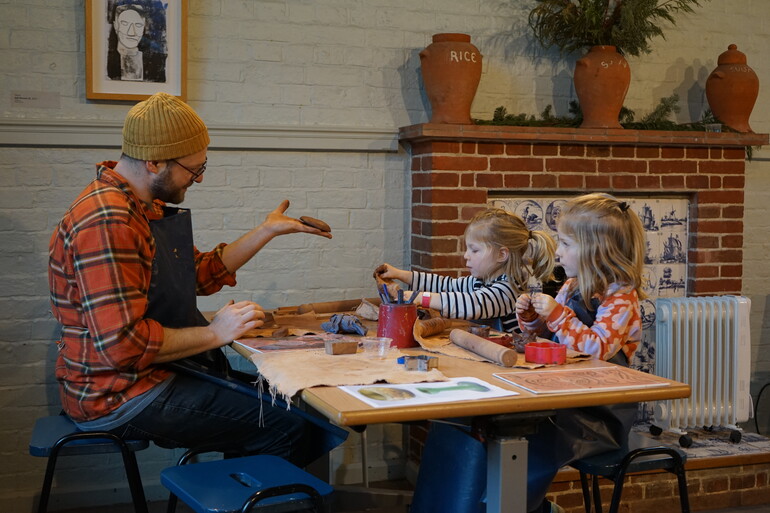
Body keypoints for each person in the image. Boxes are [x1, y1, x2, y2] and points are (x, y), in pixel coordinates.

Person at [48, 91, 343, 466]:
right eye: (193, 170)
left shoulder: (141, 206)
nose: (199, 180)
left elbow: (198, 275)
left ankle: (237, 498)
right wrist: (215, 333)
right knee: (288, 425)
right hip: (116, 394)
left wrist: (266, 231)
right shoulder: (108, 221)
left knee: (288, 403)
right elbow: (122, 346)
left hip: (150, 375)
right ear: (154, 161)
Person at [515, 192, 646, 513]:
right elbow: (547, 337)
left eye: (566, 244)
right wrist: (532, 319)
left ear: (595, 251)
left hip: (601, 418)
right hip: (570, 398)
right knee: (513, 430)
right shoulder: (572, 287)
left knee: (532, 441)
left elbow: (598, 349)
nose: (557, 252)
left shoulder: (622, 299)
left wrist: (559, 315)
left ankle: (525, 508)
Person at [376, 208, 555, 333]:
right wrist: (400, 274)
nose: (466, 256)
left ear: (502, 254)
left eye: (474, 250)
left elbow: (472, 304)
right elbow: (445, 286)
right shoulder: (482, 280)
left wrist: (420, 298)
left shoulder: (508, 290)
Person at [107, 1, 166, 82]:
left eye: (138, 25)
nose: (131, 32)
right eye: (125, 23)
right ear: (116, 25)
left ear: (144, 28)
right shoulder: (106, 62)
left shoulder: (155, 63)